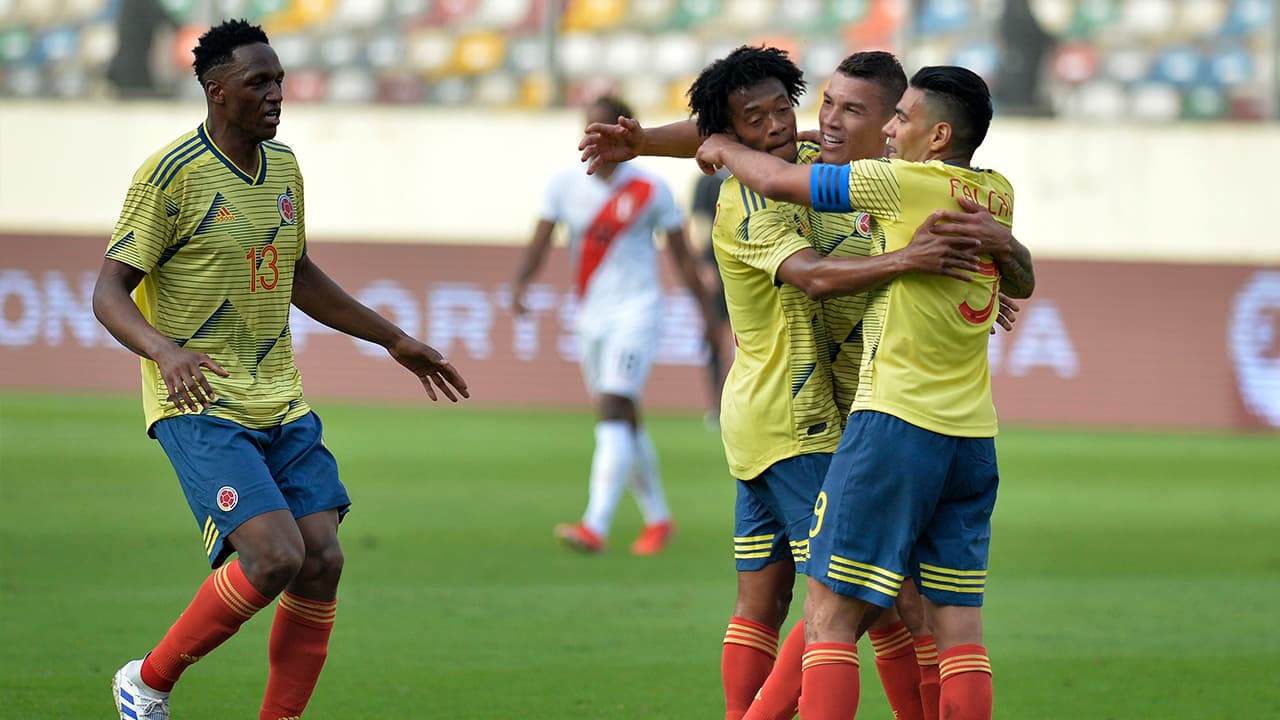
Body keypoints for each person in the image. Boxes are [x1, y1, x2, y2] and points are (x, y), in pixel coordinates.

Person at [582, 49, 1028, 720]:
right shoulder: (759, 196)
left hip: (782, 412)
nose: (810, 123)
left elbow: (729, 134)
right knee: (879, 604)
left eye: (792, 108)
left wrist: (648, 140)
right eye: (828, 105)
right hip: (799, 417)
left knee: (768, 603)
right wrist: (919, 260)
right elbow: (812, 271)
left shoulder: (831, 158)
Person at [92, 19, 468, 720]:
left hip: (281, 400)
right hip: (199, 402)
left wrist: (393, 338)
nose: (275, 95)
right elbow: (107, 291)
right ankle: (146, 681)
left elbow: (294, 272)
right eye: (258, 83)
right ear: (215, 92)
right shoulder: (170, 175)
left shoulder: (285, 167)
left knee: (322, 559)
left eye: (280, 82)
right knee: (272, 559)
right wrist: (163, 351)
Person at [510, 95, 715, 556]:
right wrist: (521, 282)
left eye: (604, 128)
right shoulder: (564, 184)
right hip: (591, 316)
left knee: (614, 407)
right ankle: (659, 520)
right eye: (588, 127)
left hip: (638, 312)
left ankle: (594, 525)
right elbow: (541, 238)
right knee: (623, 418)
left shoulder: (650, 188)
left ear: (623, 132)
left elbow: (682, 257)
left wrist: (705, 312)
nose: (594, 136)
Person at [688, 167, 732, 429]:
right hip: (717, 271)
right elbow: (699, 226)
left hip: (751, 271)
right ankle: (715, 405)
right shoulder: (707, 183)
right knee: (715, 338)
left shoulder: (754, 174)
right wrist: (704, 265)